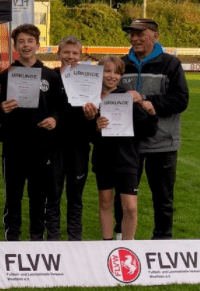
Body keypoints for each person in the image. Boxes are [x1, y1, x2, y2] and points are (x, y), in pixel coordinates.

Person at [114, 19, 189, 240]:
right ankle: (122, 239)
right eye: (132, 34)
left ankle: (162, 241)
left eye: (140, 34)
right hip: (128, 143)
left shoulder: (170, 64)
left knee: (163, 198)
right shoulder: (121, 64)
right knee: (123, 196)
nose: (134, 38)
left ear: (155, 36)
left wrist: (146, 99)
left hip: (162, 143)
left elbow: (181, 100)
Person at [0, 24, 64, 241]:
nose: (26, 45)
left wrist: (54, 118)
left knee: (38, 195)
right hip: (13, 145)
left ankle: (36, 238)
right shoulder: (5, 75)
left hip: (41, 145)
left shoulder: (50, 76)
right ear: (15, 46)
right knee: (13, 196)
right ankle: (12, 238)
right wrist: (1, 110)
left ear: (37, 45)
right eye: (21, 42)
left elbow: (60, 105)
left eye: (30, 41)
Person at [85, 55, 158, 240]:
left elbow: (149, 130)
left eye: (117, 73)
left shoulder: (127, 97)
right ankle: (107, 243)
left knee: (131, 208)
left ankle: (127, 246)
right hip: (103, 159)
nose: (112, 76)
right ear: (98, 73)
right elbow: (86, 135)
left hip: (127, 159)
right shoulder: (90, 99)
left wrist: (152, 113)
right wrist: (95, 126)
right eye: (107, 71)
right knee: (105, 202)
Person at [44, 36, 92, 241]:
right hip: (54, 146)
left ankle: (75, 240)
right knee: (52, 195)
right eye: (67, 52)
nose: (71, 57)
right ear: (59, 53)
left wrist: (92, 115)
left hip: (80, 145)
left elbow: (95, 113)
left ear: (80, 56)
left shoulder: (89, 79)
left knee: (75, 196)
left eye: (75, 53)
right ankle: (53, 239)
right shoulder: (52, 77)